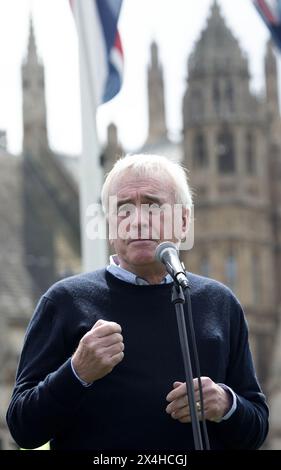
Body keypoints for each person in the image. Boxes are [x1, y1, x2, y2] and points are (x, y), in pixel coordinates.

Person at [6, 154, 268, 450]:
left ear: (183, 221)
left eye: (153, 205)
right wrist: (77, 372)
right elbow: (22, 428)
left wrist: (226, 404)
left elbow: (257, 429)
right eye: (123, 208)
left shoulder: (220, 303)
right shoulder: (64, 301)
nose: (139, 220)